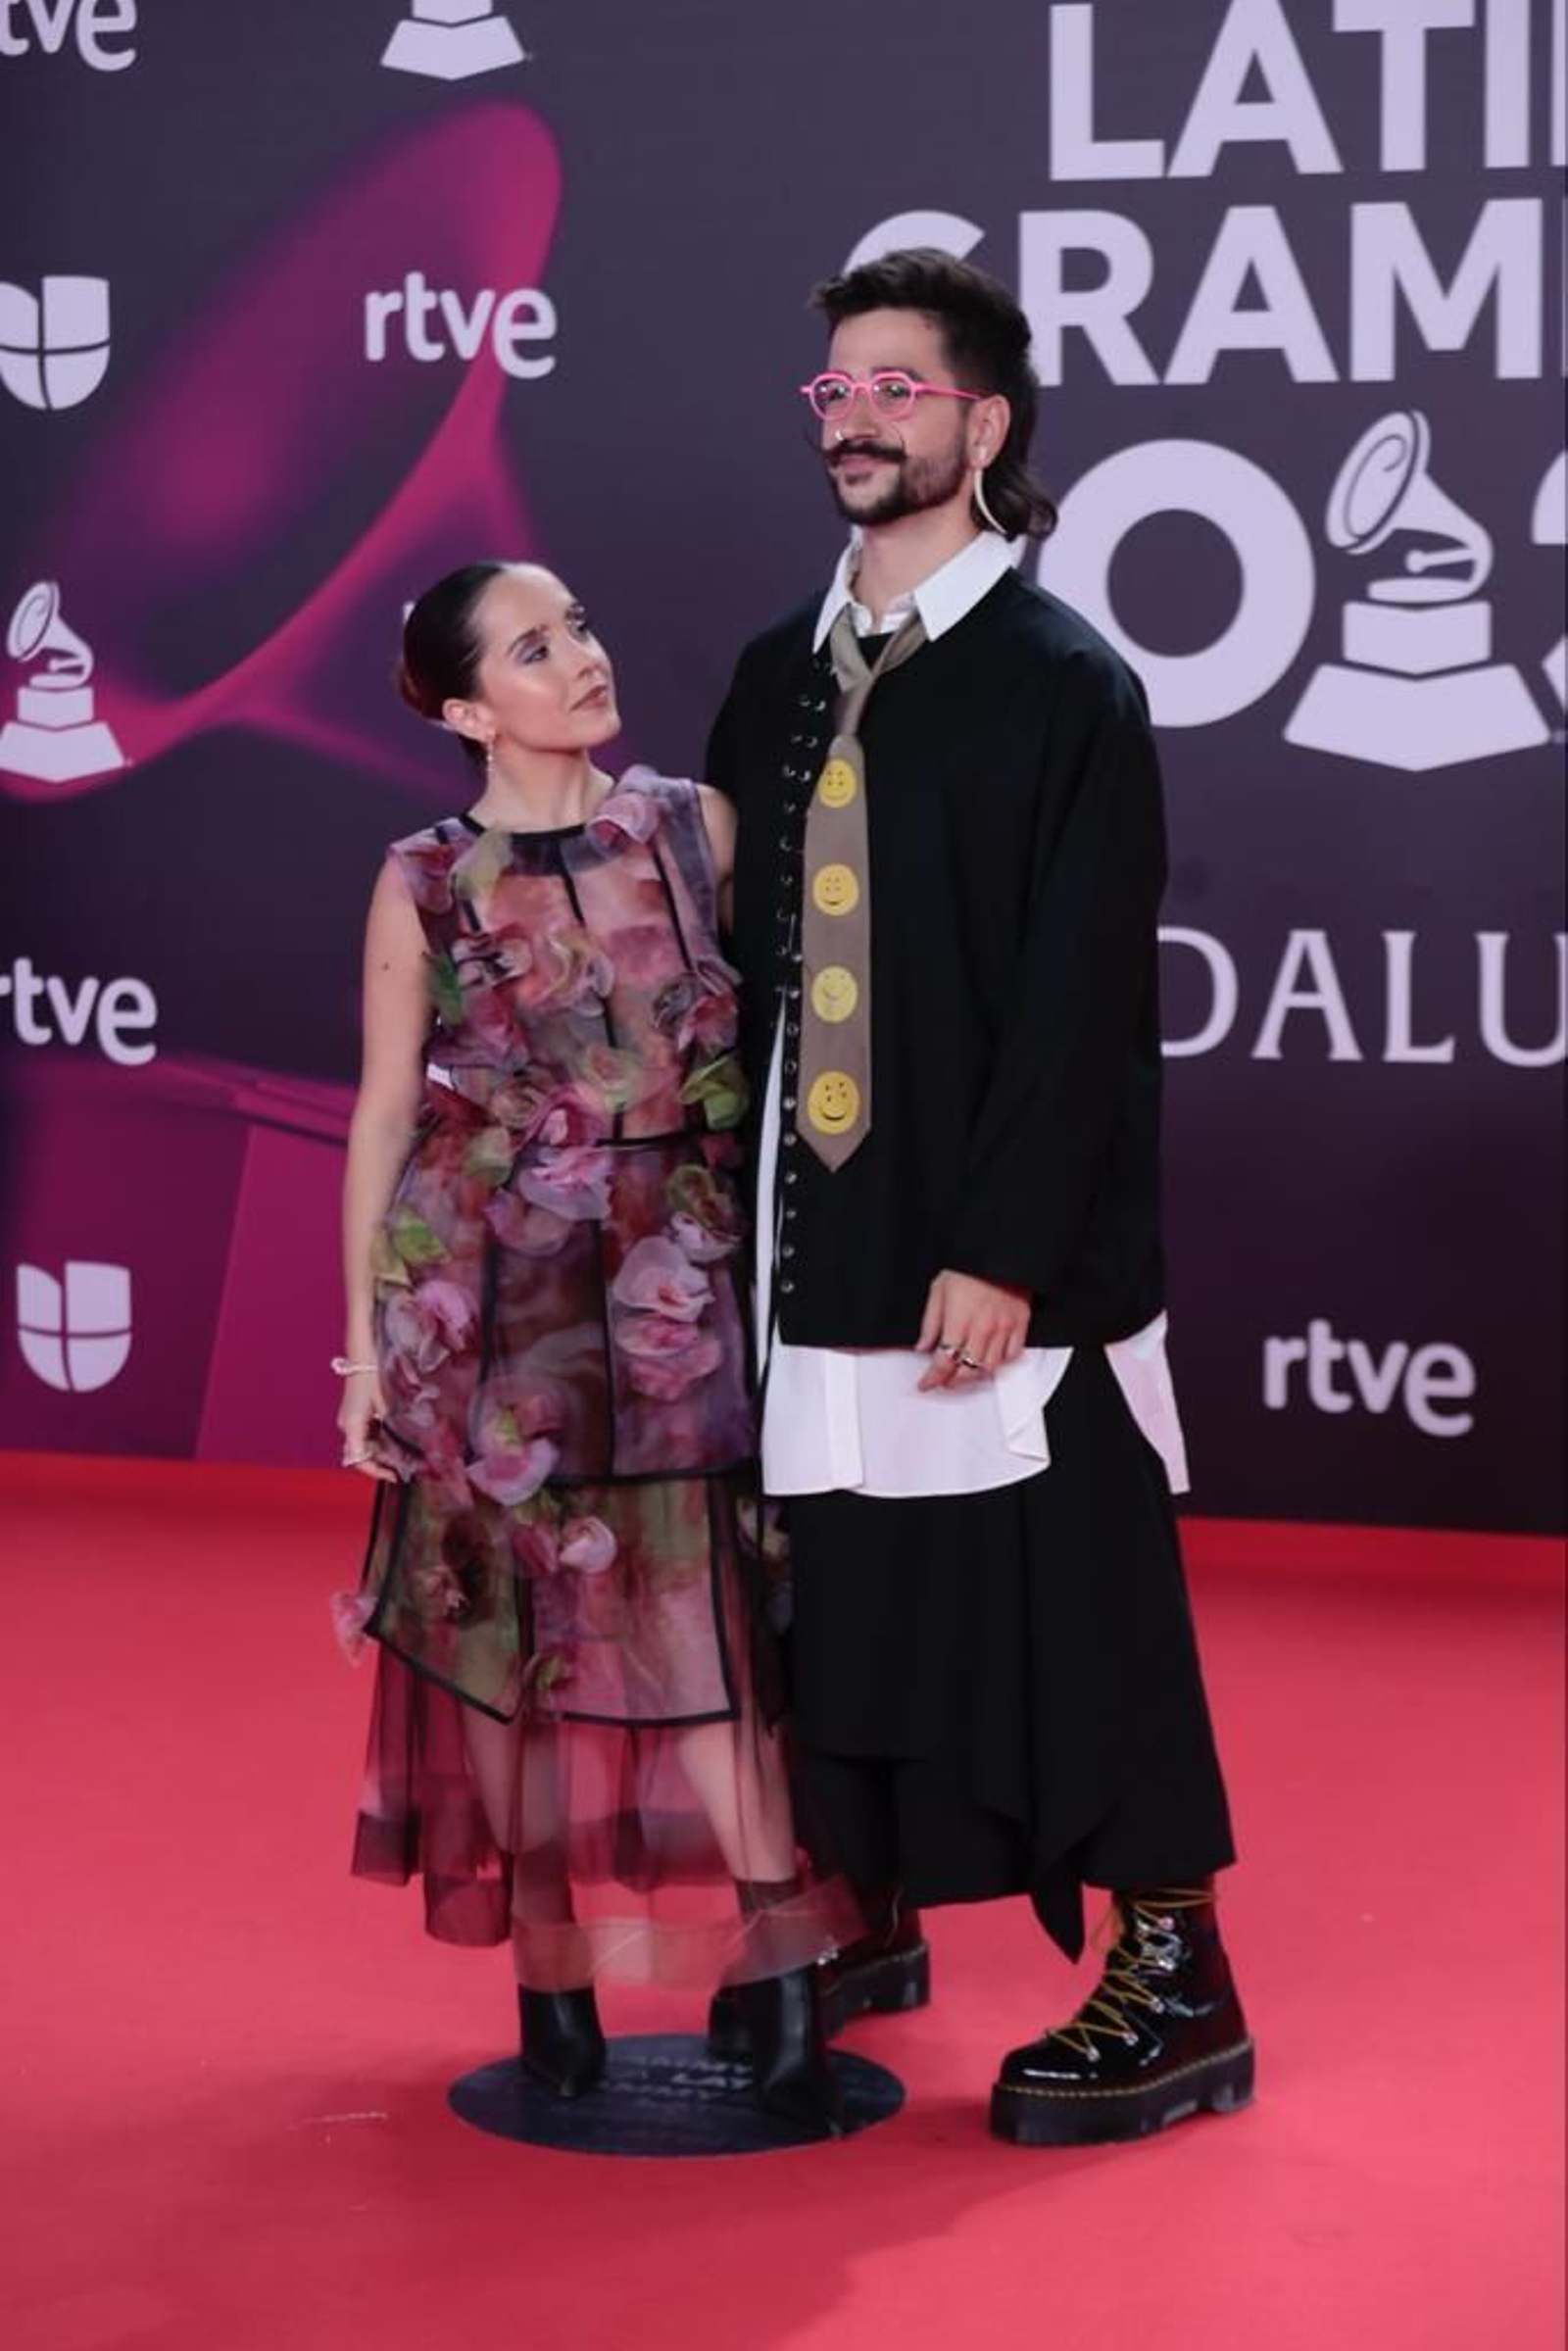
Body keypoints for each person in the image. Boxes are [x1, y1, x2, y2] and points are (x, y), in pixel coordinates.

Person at [705, 249, 1253, 2145]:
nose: (854, 415)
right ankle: (865, 1903)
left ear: (983, 424)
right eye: (833, 390)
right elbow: (735, 974)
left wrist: (1006, 1249)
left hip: (1005, 1250)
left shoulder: (1063, 684)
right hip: (814, 1229)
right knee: (837, 1579)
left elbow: (1086, 1005)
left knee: (1067, 1588)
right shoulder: (778, 674)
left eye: (895, 388)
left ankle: (1177, 1972)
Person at [334, 560, 857, 2135]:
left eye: (580, 625)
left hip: (676, 1282)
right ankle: (546, 1974)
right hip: (487, 1295)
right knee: (505, 1647)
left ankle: (777, 1961)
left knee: (701, 1628)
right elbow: (380, 1112)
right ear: (467, 706)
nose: (583, 655)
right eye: (536, 645)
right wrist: (367, 1348)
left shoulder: (692, 826)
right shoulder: (423, 878)